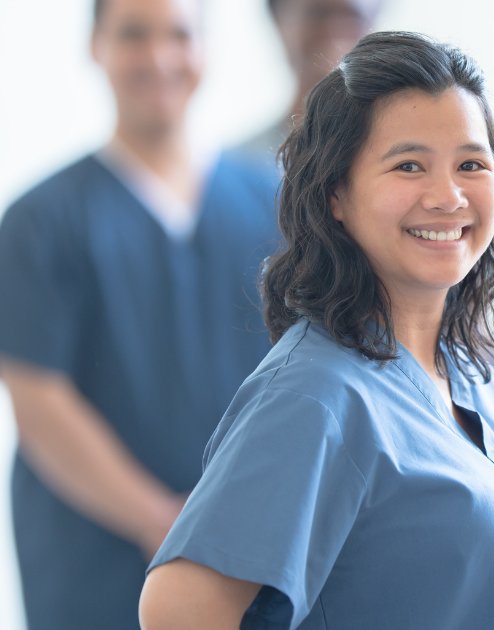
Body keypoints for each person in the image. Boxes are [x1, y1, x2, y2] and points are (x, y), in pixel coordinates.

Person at [139, 31, 494, 629]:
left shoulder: (473, 382)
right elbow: (178, 613)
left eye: (471, 164)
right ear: (336, 193)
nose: (448, 196)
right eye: (409, 165)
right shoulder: (315, 397)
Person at [0, 0, 279, 627]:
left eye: (179, 35)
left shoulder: (273, 204)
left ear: (205, 50)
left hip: (249, 552)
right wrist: (164, 521)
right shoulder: (40, 221)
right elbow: (40, 404)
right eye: (133, 35)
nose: (158, 57)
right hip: (94, 560)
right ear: (96, 46)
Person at [236, 0, 384, 167]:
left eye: (352, 17)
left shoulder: (398, 153)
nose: (334, 31)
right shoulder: (234, 169)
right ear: (278, 19)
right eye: (318, 14)